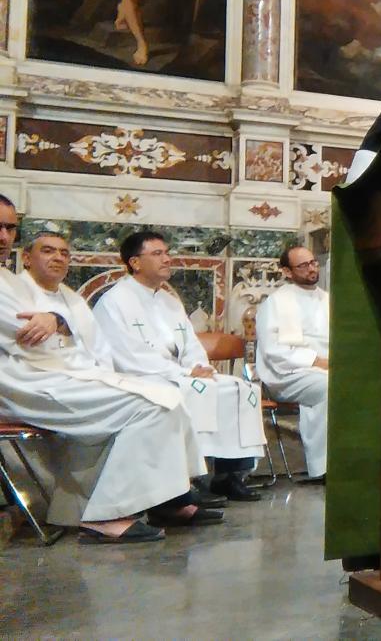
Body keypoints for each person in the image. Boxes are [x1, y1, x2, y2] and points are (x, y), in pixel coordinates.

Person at [0, 214, 217, 543]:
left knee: (166, 396)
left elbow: (99, 350)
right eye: (47, 251)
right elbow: (27, 334)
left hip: (71, 375)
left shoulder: (68, 298)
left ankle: (166, 499)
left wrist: (62, 325)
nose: (58, 257)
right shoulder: (14, 286)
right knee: (152, 406)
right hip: (27, 380)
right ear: (27, 258)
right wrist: (58, 322)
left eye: (64, 252)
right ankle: (107, 514)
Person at [94, 230, 266, 502]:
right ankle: (184, 481)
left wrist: (198, 366)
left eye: (167, 253)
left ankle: (229, 475)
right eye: (157, 254)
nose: (167, 259)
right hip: (140, 377)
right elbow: (128, 354)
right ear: (134, 262)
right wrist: (186, 373)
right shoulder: (114, 302)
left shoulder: (169, 302)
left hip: (178, 373)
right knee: (192, 391)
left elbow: (190, 345)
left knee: (239, 388)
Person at [255, 246, 330, 481]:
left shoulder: (329, 300)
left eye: (313, 263)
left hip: (327, 368)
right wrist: (316, 361)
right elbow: (272, 350)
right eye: (303, 265)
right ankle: (322, 467)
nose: (311, 269)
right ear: (287, 271)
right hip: (286, 374)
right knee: (329, 386)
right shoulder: (276, 303)